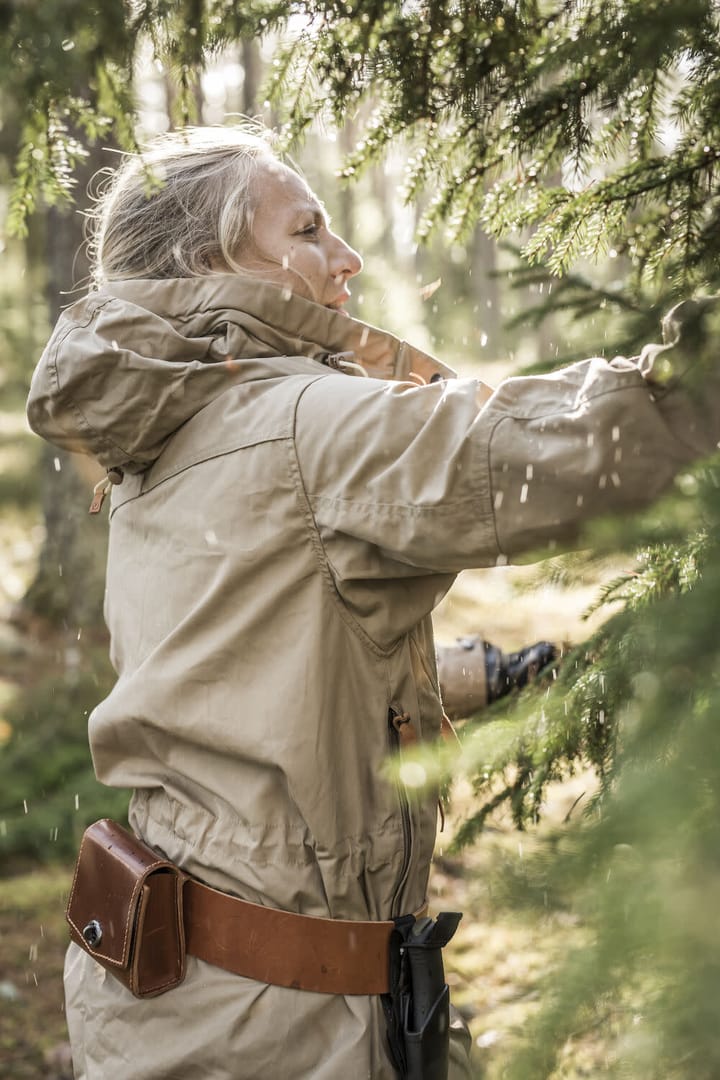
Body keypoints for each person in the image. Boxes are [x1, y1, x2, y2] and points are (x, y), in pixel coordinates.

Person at [26, 125, 720, 1080]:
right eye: (308, 230)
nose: (346, 257)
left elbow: (244, 652)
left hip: (177, 1001)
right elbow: (555, 453)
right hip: (276, 1030)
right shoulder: (305, 423)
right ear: (210, 264)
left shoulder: (168, 433)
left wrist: (474, 675)